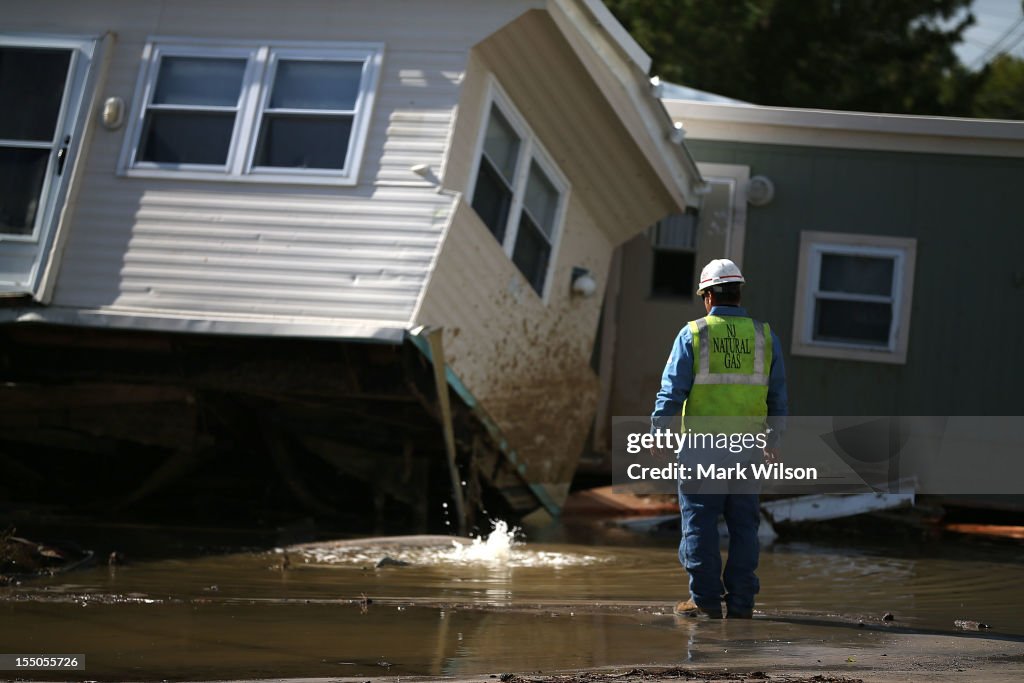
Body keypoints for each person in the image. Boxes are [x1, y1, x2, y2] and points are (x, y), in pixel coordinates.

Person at [651, 258, 788, 619]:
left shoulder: (693, 334)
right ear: (738, 292)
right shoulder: (764, 336)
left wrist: (659, 434)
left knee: (699, 522)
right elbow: (778, 397)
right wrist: (774, 439)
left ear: (708, 296)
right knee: (744, 525)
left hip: (701, 448)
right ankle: (742, 604)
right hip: (748, 450)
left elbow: (672, 392)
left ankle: (706, 601)